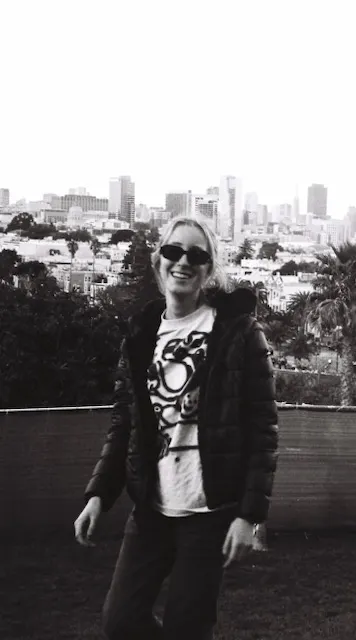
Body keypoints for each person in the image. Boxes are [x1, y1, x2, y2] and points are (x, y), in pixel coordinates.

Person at [74, 215, 279, 640]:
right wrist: (98, 495)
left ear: (209, 269)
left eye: (196, 255)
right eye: (173, 251)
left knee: (187, 627)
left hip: (208, 514)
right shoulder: (140, 335)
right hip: (152, 508)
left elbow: (263, 430)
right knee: (119, 621)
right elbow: (125, 424)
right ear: (158, 260)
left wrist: (249, 516)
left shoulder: (239, 333)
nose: (183, 262)